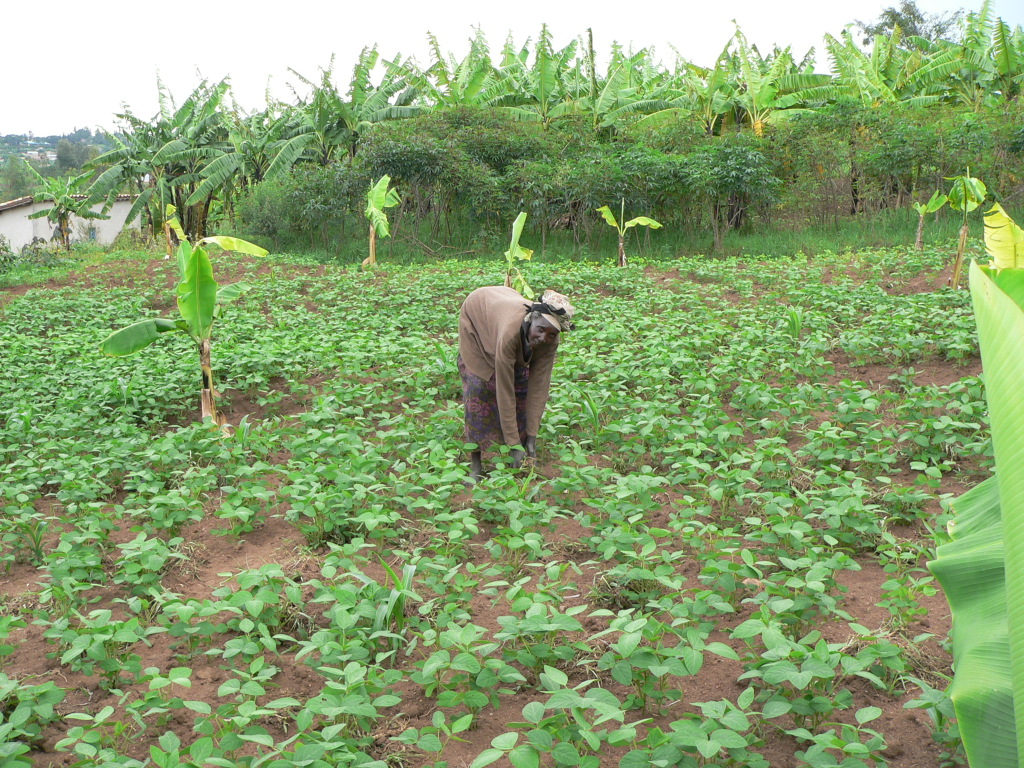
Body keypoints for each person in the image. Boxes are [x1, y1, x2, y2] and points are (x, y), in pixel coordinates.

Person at [457, 286, 576, 483]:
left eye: (552, 334)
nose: (543, 338)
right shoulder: (509, 335)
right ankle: (476, 463)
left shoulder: (550, 340)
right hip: (478, 318)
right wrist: (513, 444)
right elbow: (505, 391)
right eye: (541, 330)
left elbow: (539, 387)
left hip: (502, 309)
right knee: (481, 388)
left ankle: (521, 452)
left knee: (523, 388)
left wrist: (531, 438)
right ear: (532, 318)